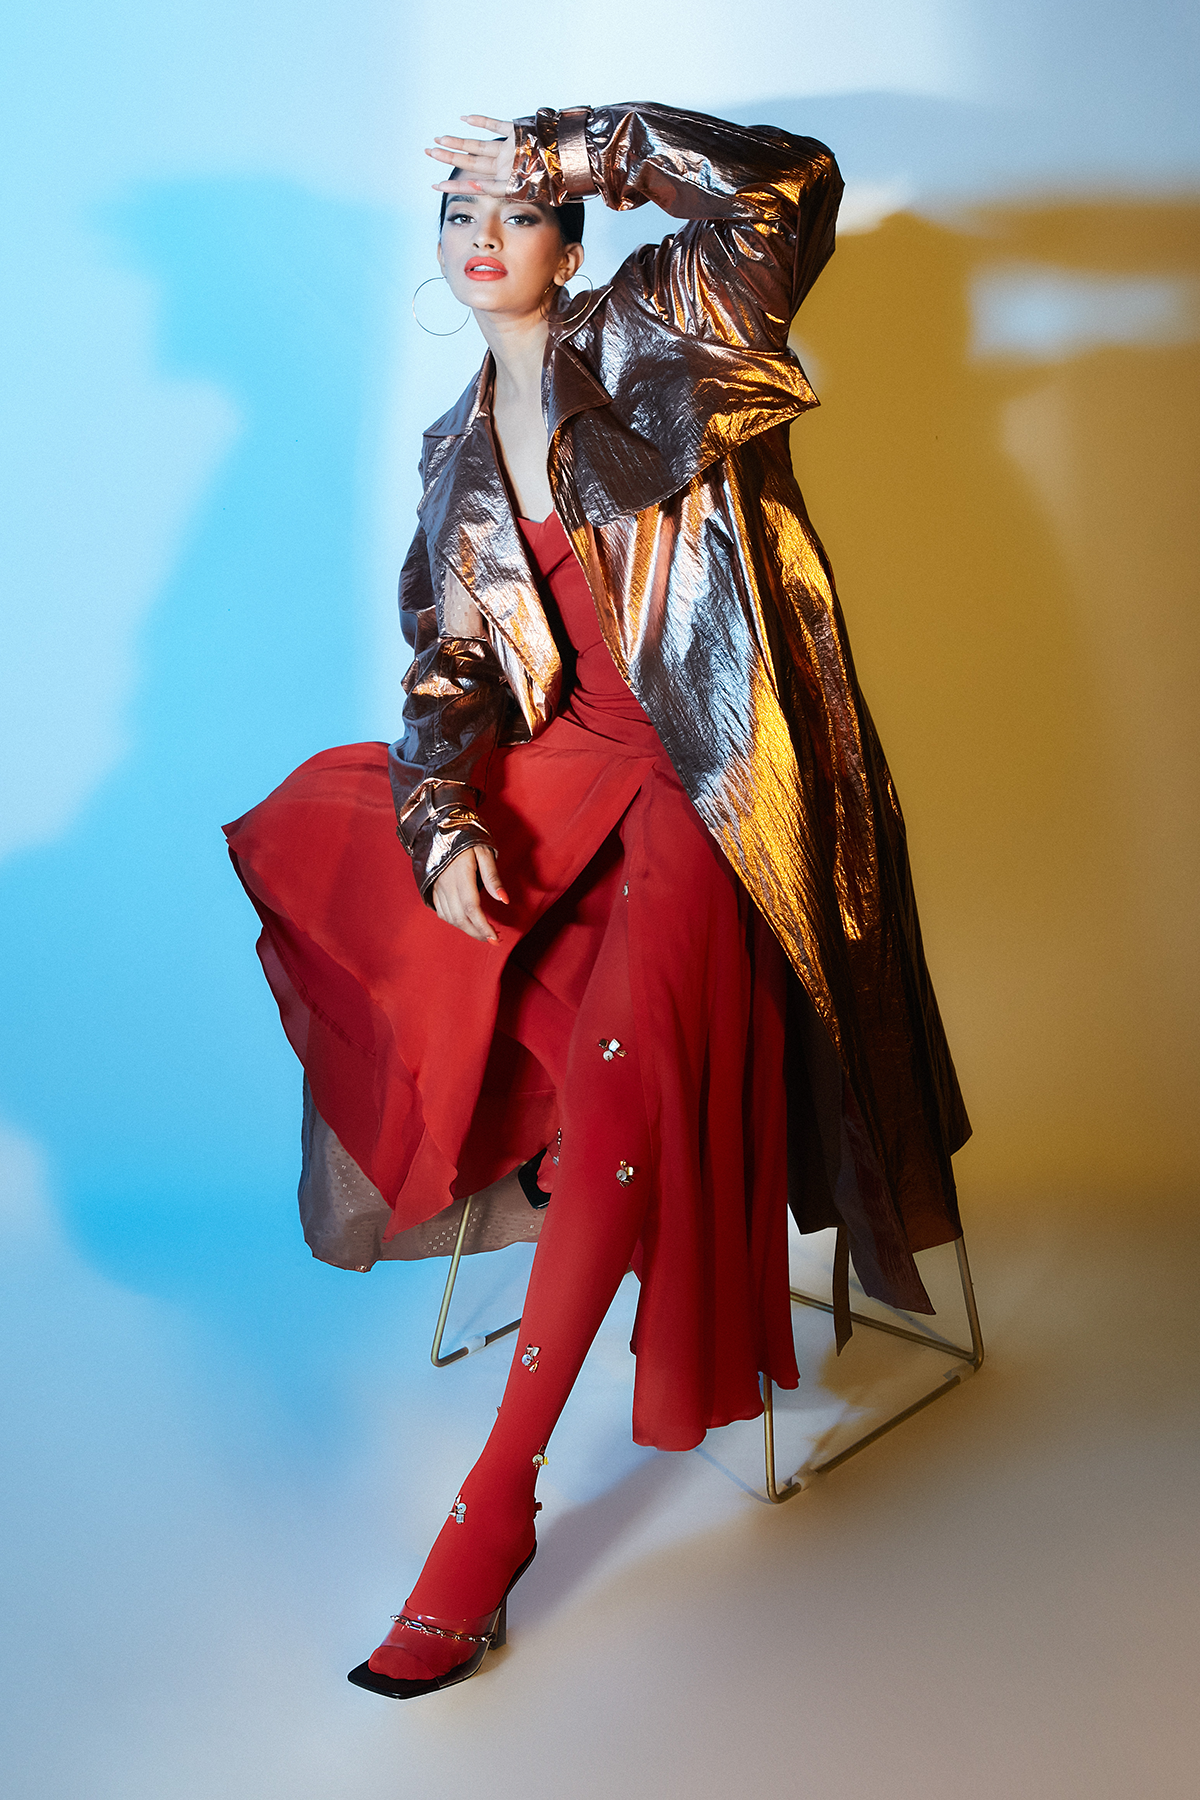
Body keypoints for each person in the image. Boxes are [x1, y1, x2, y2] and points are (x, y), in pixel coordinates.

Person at [224, 102, 970, 1698]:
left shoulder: (653, 331)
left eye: (515, 207)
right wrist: (441, 816)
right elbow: (451, 660)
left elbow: (788, 190)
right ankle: (589, 1175)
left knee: (626, 1063)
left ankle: (490, 1516)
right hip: (567, 774)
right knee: (360, 862)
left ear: (570, 240)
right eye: (459, 210)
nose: (483, 234)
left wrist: (582, 142)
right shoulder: (450, 452)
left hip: (712, 766)